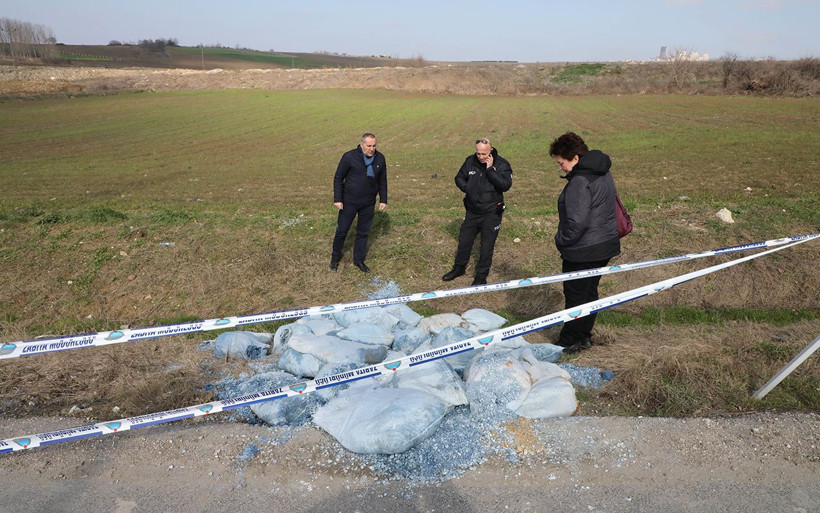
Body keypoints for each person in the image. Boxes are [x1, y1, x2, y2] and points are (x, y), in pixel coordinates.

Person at [549, 132, 621, 353]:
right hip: (605, 244)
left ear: (576, 158)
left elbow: (576, 223)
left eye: (561, 163)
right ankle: (584, 336)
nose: (560, 168)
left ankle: (568, 342)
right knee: (590, 292)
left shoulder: (580, 181)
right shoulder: (603, 172)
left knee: (576, 297)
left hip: (583, 250)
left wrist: (560, 240)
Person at [441, 137, 512, 286]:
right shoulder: (470, 161)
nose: (481, 157)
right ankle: (459, 268)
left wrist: (490, 169)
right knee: (464, 241)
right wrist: (468, 188)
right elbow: (459, 177)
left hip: (492, 213)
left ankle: (481, 276)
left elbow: (505, 185)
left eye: (484, 154)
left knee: (486, 246)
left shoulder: (502, 164)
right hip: (473, 212)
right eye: (478, 153)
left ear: (491, 151)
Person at [330, 133, 388, 273]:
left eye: (374, 146)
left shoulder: (380, 158)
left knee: (363, 232)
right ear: (361, 145)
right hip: (349, 202)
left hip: (368, 203)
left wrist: (383, 199)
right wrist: (338, 199)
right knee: (342, 231)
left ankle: (359, 260)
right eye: (369, 146)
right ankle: (335, 258)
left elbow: (382, 180)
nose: (372, 149)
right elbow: (338, 178)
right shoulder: (349, 157)